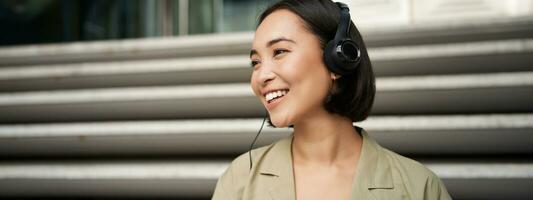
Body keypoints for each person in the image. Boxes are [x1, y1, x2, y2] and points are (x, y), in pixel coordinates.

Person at [212, 0, 452, 199]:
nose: (261, 76)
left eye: (279, 52)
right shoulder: (239, 181)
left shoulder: (420, 188)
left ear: (338, 60)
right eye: (256, 62)